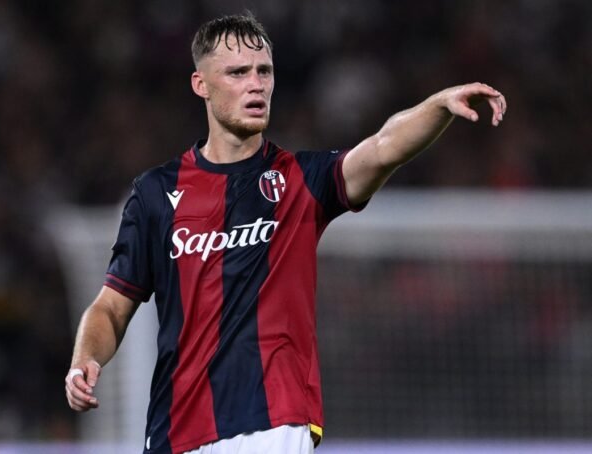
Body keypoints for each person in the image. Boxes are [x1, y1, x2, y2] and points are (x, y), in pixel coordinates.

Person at [64, 12, 507, 454]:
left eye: (264, 72)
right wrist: (85, 358)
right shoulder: (157, 193)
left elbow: (383, 148)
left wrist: (436, 106)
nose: (256, 84)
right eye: (238, 73)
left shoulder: (301, 180)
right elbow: (111, 308)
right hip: (175, 432)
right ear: (201, 84)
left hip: (272, 423)